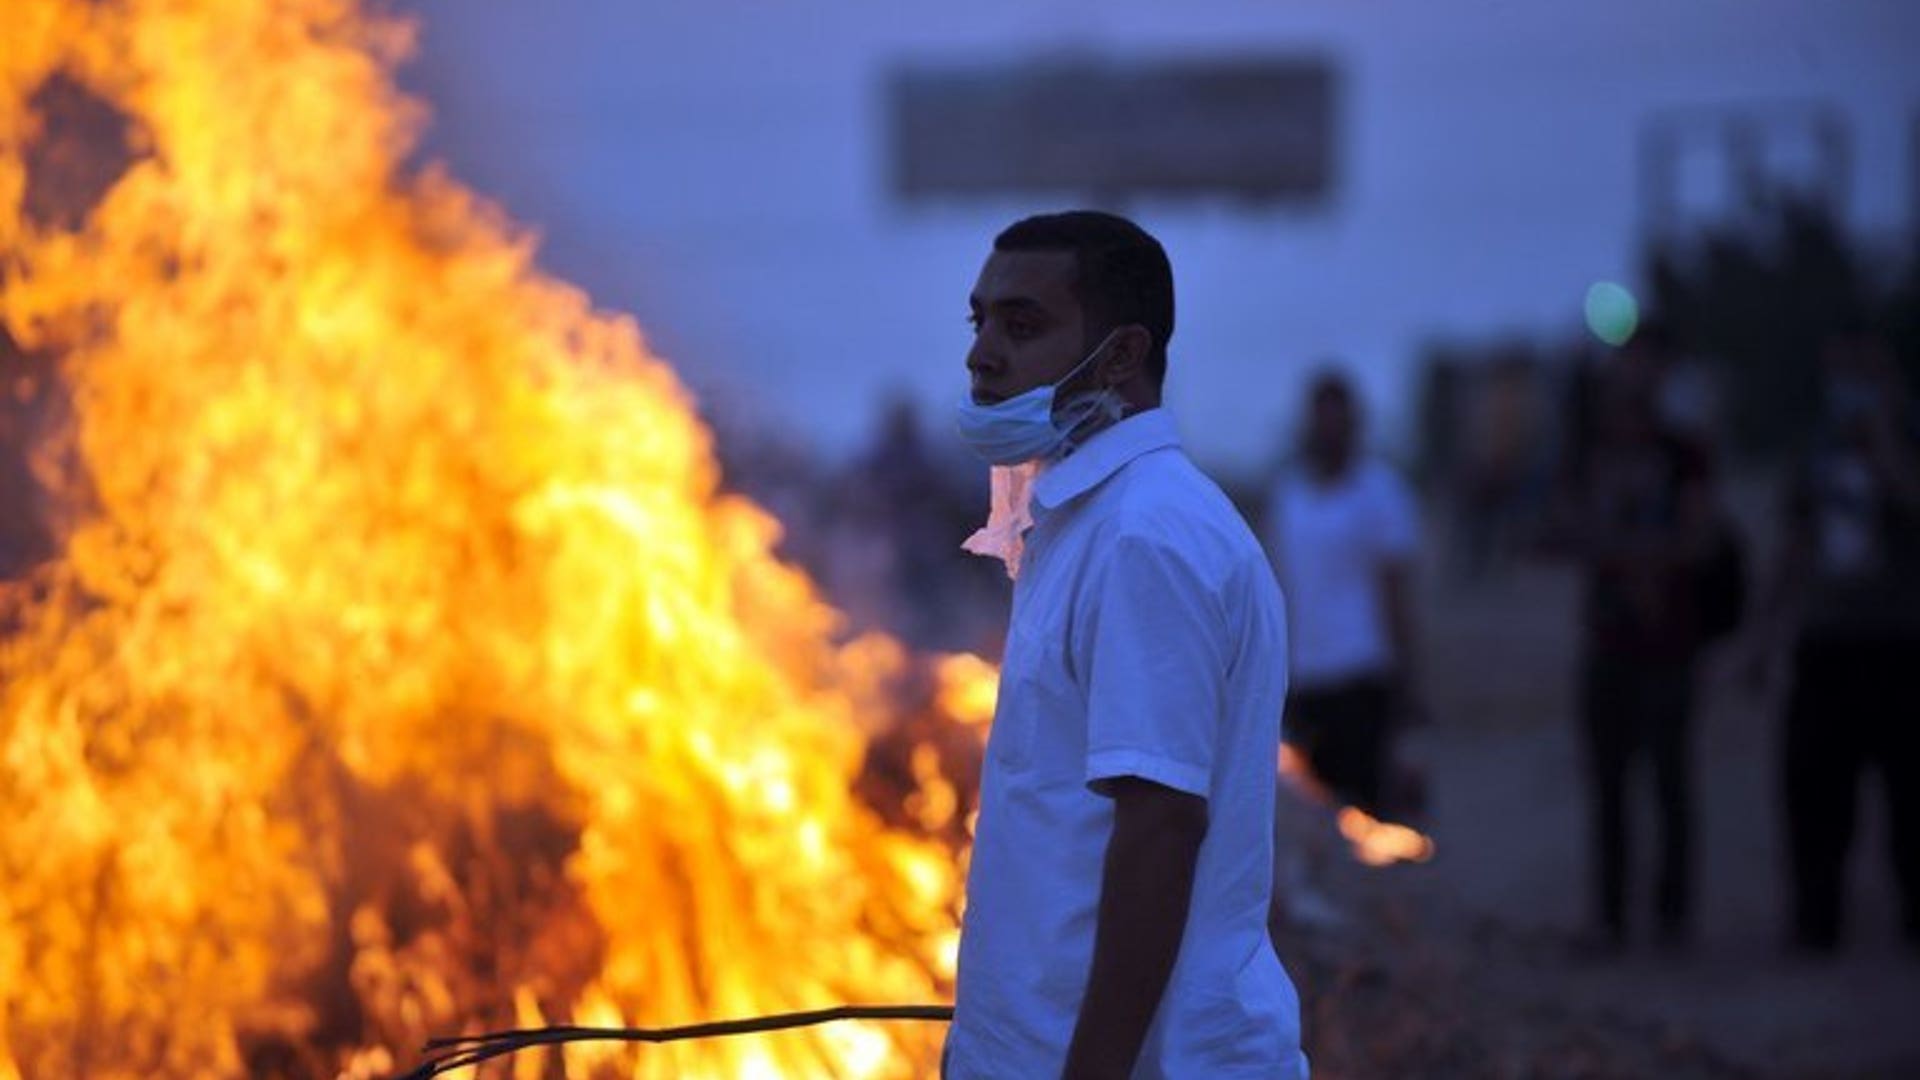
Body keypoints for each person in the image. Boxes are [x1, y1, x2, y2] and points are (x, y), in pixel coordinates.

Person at [943, 211, 1306, 1079]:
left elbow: (1161, 828)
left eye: (1022, 325)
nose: (981, 354)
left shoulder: (1147, 536)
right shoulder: (1082, 519)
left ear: (1120, 355)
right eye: (979, 320)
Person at [1753, 323, 1920, 952]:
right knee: (1814, 791)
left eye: (1861, 370)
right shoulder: (1816, 448)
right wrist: (1763, 636)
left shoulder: (1906, 435)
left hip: (1901, 643)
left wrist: (1884, 445)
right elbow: (1793, 547)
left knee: (1909, 797)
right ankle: (1815, 922)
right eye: (1838, 372)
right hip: (1826, 643)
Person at [1549, 348, 1718, 953]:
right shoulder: (1589, 457)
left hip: (1669, 647)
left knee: (1670, 783)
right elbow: (1565, 529)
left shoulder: (1683, 455)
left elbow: (1700, 539)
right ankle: (1612, 918)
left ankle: (1673, 920)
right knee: (1609, 786)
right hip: (1609, 643)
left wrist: (1641, 560)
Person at [1264, 370, 1424, 820]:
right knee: (1314, 815)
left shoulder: (1382, 492)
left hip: (1363, 675)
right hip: (1307, 678)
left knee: (1369, 816)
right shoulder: (1289, 496)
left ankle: (1382, 894)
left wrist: (1407, 681)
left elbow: (1396, 591)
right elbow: (1284, 588)